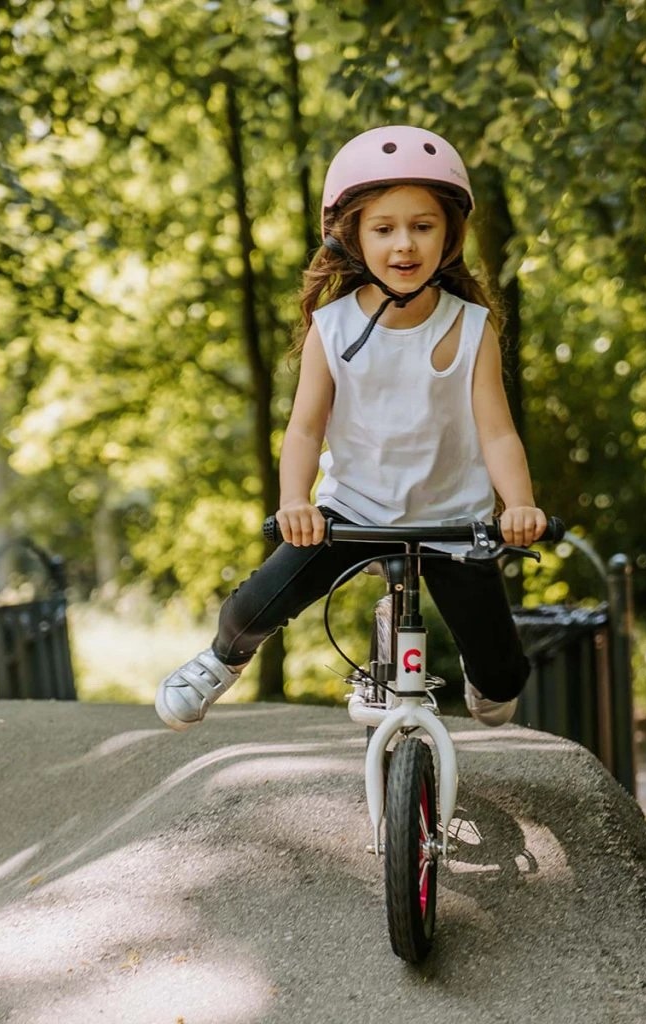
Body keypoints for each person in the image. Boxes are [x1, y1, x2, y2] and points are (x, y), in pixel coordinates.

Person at [156, 125, 547, 732]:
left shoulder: (472, 326)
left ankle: (480, 666)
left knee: (501, 684)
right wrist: (294, 502)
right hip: (353, 515)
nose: (404, 245)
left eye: (422, 226)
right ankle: (218, 662)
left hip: (452, 520)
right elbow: (307, 428)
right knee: (252, 606)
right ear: (353, 238)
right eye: (383, 228)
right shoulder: (332, 327)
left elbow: (497, 432)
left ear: (449, 236)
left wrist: (518, 504)